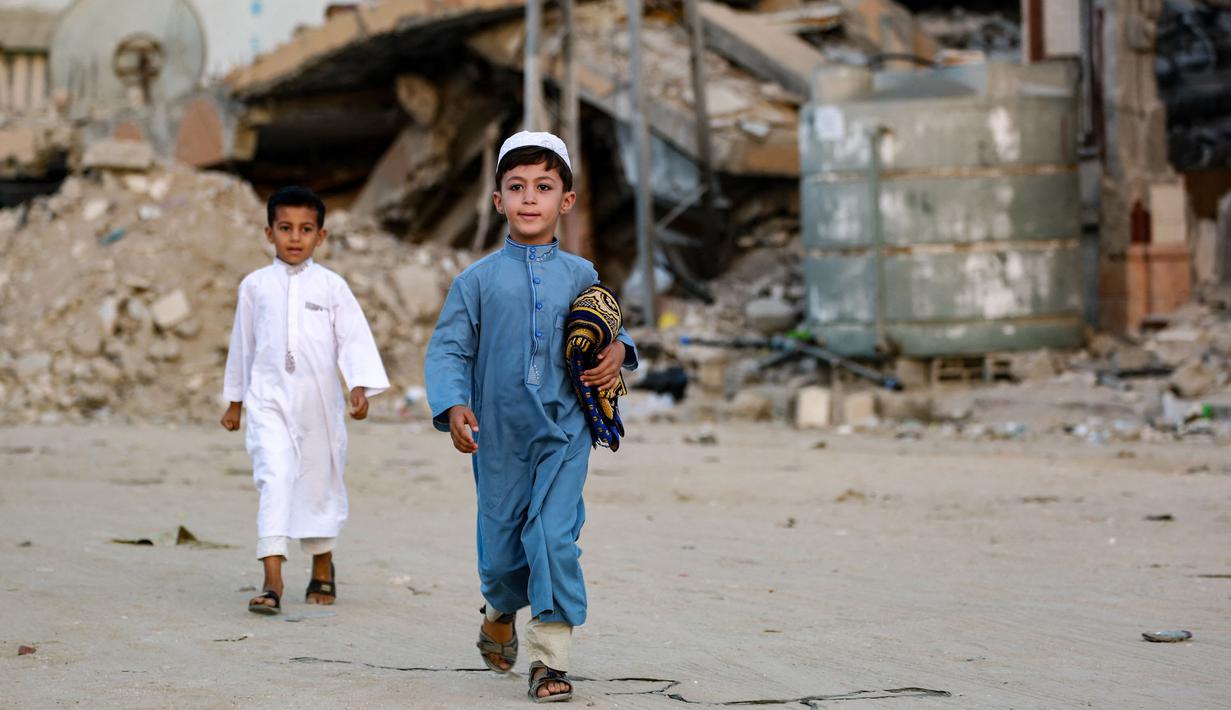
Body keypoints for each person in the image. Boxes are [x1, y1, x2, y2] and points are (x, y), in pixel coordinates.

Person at [425, 131, 638, 703]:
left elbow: (607, 325)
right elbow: (448, 349)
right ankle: (498, 607)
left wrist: (620, 351)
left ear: (565, 201)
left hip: (565, 430)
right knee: (500, 554)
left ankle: (549, 659)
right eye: (515, 187)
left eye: (544, 187)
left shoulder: (580, 273)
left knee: (553, 537)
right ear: (498, 201)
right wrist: (452, 403)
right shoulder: (476, 282)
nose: (529, 198)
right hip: (499, 435)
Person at [221, 186, 389, 616]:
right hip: (268, 399)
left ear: (321, 236)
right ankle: (272, 581)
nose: (294, 238)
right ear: (269, 232)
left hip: (319, 404)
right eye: (285, 228)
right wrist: (235, 401)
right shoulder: (254, 286)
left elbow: (352, 338)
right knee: (274, 478)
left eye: (305, 229)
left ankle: (322, 563)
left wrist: (359, 385)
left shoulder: (332, 287)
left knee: (319, 480)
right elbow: (243, 345)